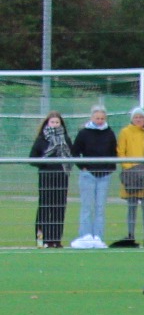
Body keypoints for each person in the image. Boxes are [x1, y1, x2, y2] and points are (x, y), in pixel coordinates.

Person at [70, 105, 117, 248]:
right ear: (92, 118)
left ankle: (98, 237)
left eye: (102, 118)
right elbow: (75, 152)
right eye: (97, 118)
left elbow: (113, 152)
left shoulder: (109, 133)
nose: (100, 121)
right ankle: (85, 236)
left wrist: (110, 168)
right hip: (88, 174)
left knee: (100, 208)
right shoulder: (84, 133)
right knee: (87, 207)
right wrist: (82, 166)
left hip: (104, 175)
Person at [114, 108, 144, 248]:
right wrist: (129, 167)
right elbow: (121, 152)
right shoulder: (125, 132)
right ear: (132, 119)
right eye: (136, 117)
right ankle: (130, 235)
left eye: (141, 117)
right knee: (131, 207)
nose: (138, 120)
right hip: (131, 176)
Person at [28, 113, 69, 248]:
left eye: (57, 122)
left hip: (61, 178)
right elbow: (32, 158)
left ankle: (56, 240)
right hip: (46, 178)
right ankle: (42, 239)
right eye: (52, 122)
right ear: (47, 123)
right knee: (45, 208)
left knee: (59, 208)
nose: (55, 125)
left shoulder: (66, 139)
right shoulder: (41, 139)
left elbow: (71, 156)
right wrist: (46, 162)